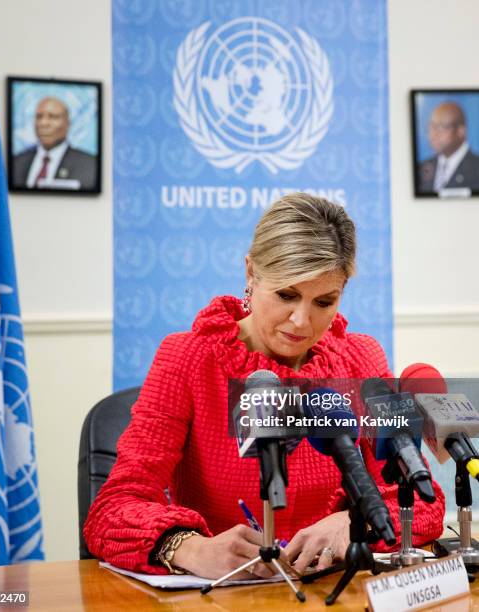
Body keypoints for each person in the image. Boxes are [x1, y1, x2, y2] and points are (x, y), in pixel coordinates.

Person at [84, 194, 444, 579]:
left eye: (324, 301)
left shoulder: (361, 358)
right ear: (251, 274)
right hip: (226, 597)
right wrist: (188, 547)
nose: (301, 321)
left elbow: (424, 502)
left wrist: (353, 522)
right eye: (286, 295)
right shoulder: (187, 358)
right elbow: (113, 508)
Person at [12, 97, 97, 191]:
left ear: (68, 124)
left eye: (53, 117)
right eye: (39, 117)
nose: (44, 123)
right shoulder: (16, 162)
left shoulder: (90, 165)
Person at [418, 101, 479, 193]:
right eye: (431, 127)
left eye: (441, 127)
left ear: (461, 131)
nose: (433, 134)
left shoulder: (476, 167)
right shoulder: (422, 168)